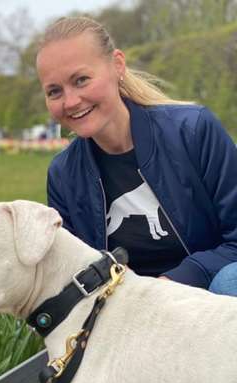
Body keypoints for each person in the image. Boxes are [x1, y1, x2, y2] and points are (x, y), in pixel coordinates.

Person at [36, 16, 237, 295]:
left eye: (81, 80)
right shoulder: (63, 175)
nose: (70, 101)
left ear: (117, 65)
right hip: (131, 313)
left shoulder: (193, 131)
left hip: (208, 299)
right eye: (54, 91)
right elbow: (74, 271)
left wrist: (171, 284)